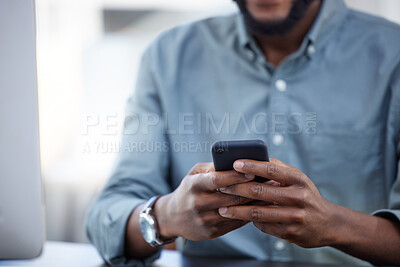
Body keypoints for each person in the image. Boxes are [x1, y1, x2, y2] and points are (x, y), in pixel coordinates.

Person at [85, 0, 400, 266]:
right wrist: (166, 216)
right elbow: (105, 216)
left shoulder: (392, 55)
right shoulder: (166, 58)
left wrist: (334, 225)